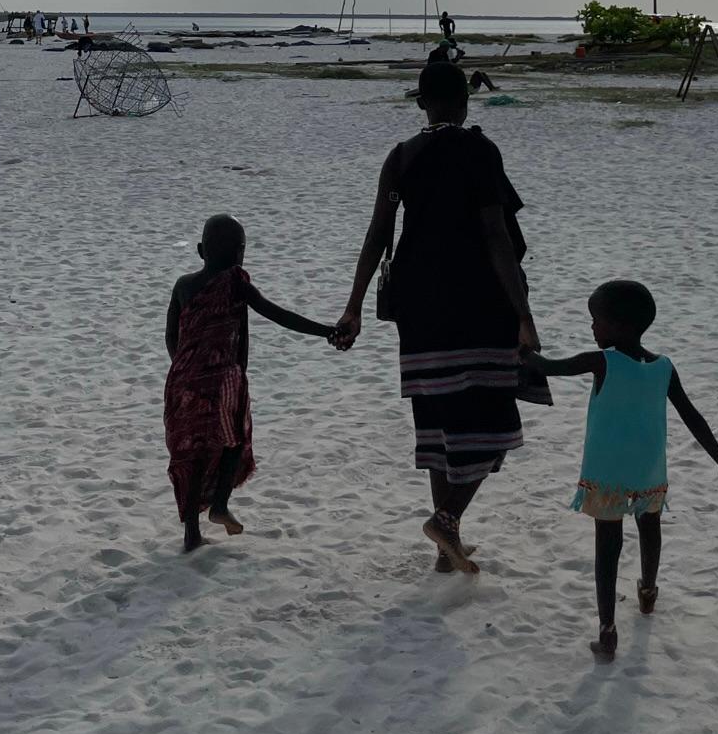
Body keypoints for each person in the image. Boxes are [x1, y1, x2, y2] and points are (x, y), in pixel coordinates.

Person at [334, 61, 548, 575]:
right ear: (467, 101)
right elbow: (497, 236)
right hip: (478, 301)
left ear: (420, 102)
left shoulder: (401, 156)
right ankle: (447, 519)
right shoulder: (479, 150)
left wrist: (354, 305)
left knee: (437, 427)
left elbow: (378, 234)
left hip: (419, 305)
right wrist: (524, 314)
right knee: (495, 422)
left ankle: (444, 550)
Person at [527, 279, 718, 661]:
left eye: (598, 320)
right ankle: (648, 593)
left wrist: (521, 351)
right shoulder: (663, 367)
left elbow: (549, 368)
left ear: (620, 326)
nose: (593, 327)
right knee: (650, 528)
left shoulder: (602, 361)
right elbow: (692, 416)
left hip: (607, 472)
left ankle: (607, 629)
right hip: (648, 470)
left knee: (607, 545)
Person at [165, 214, 337, 552]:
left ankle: (191, 533)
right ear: (241, 254)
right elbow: (278, 314)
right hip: (225, 380)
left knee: (193, 453)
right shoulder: (236, 283)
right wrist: (326, 330)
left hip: (182, 382)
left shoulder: (183, 286)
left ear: (201, 250)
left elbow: (171, 337)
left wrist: (187, 370)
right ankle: (219, 505)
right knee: (234, 440)